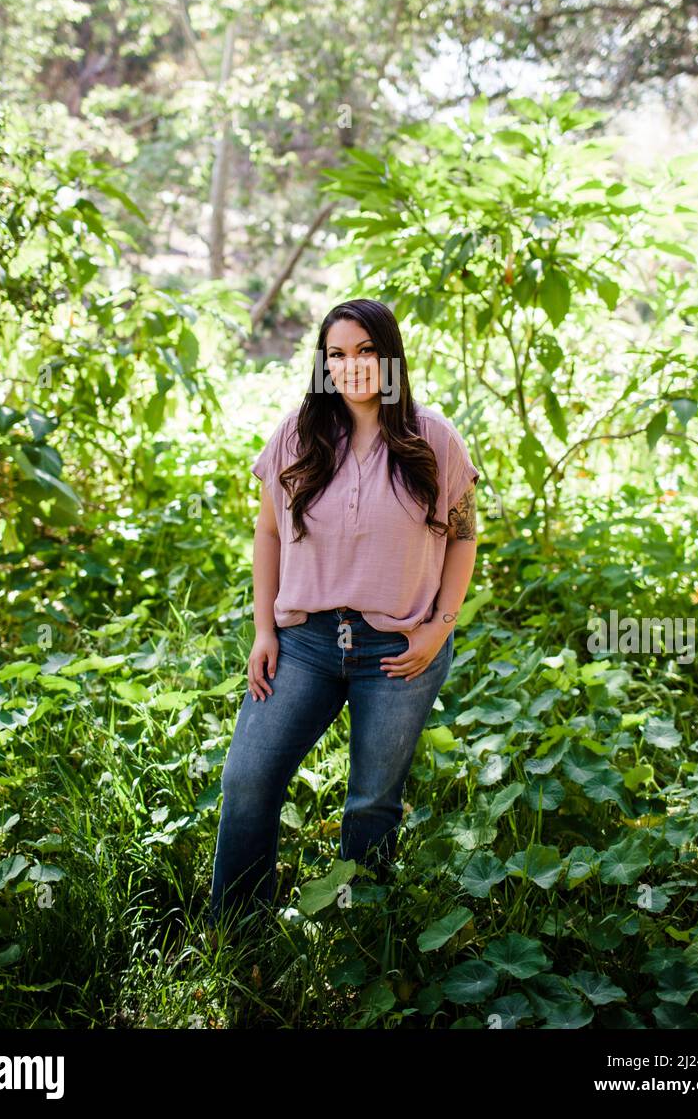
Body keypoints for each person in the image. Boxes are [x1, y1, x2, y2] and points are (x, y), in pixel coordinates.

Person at [206, 298, 479, 936]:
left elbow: (463, 538)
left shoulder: (432, 437)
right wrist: (265, 631)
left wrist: (439, 626)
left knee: (371, 803)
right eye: (336, 354)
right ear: (323, 364)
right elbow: (268, 533)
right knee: (248, 780)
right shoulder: (298, 434)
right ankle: (238, 933)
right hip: (305, 642)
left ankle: (358, 940)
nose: (351, 366)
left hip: (399, 648)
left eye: (364, 351)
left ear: (389, 357)